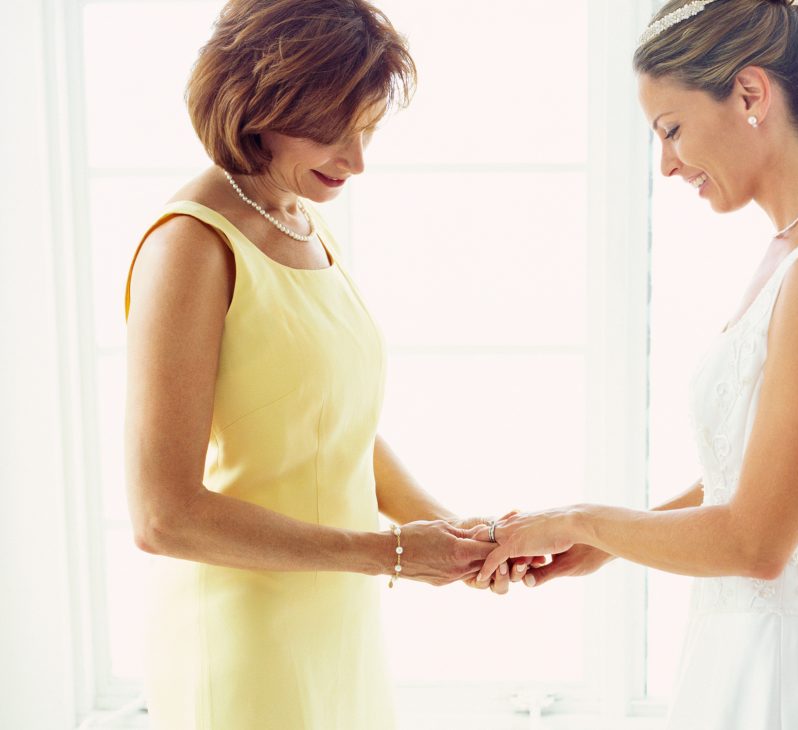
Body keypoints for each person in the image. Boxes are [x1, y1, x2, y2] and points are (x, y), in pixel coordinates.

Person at [475, 0, 798, 727]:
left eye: (671, 130)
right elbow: (752, 473)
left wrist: (585, 519)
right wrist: (600, 542)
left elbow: (758, 542)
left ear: (751, 95)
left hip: (797, 675)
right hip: (749, 648)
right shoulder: (796, 250)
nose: (665, 164)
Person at [122, 2, 520, 728]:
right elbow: (163, 516)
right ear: (255, 104)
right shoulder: (189, 247)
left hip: (337, 620)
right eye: (332, 132)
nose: (357, 160)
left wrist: (452, 534)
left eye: (366, 129)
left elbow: (327, 428)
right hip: (245, 639)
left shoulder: (301, 219)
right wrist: (393, 551)